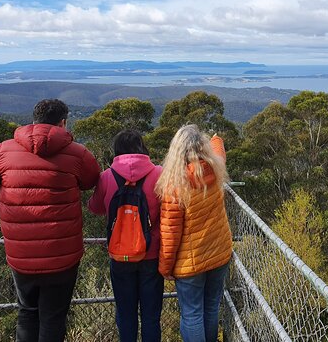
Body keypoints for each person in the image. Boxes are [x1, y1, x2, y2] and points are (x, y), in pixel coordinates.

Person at [0, 99, 100, 342]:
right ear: (63, 123)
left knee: (27, 312)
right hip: (62, 255)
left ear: (34, 120)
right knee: (54, 317)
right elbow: (91, 180)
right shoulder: (77, 152)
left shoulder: (4, 151)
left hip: (22, 255)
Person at [157, 124, 232, 342]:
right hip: (219, 254)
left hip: (190, 263)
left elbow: (170, 233)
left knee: (192, 314)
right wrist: (217, 139)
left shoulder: (175, 186)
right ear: (203, 148)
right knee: (210, 308)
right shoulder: (215, 170)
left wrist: (165, 268)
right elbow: (219, 153)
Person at [88, 130, 164, 342]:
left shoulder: (106, 176)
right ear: (142, 148)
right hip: (151, 253)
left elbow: (95, 208)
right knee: (151, 317)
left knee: (125, 313)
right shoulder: (159, 174)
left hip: (120, 255)